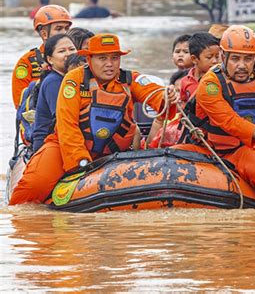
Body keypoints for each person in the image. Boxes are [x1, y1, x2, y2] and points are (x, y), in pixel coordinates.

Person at [9, 34, 178, 205]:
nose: (109, 64)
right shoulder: (74, 80)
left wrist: (168, 97)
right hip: (65, 149)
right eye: (102, 58)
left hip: (113, 153)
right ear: (89, 59)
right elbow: (67, 125)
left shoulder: (129, 79)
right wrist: (80, 163)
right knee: (33, 187)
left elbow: (156, 95)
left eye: (114, 58)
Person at [173, 25, 255, 207]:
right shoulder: (210, 84)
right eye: (235, 58)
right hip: (208, 146)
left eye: (249, 59)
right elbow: (230, 122)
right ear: (223, 56)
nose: (242, 65)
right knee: (169, 160)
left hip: (242, 149)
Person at [146, 32, 220, 148]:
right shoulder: (185, 81)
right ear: (194, 59)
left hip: (210, 128)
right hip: (191, 126)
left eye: (217, 57)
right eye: (210, 57)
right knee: (161, 137)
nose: (215, 61)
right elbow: (184, 105)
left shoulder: (219, 80)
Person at [11, 4, 72, 109]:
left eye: (67, 28)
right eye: (58, 29)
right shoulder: (27, 62)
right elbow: (20, 104)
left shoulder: (76, 58)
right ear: (44, 34)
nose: (64, 33)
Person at [32, 34, 78, 153]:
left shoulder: (74, 79)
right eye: (62, 51)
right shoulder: (53, 82)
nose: (68, 54)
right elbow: (62, 119)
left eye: (72, 49)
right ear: (50, 59)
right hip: (47, 141)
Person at [143, 69, 188, 149]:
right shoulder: (163, 116)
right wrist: (159, 120)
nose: (181, 96)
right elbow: (149, 148)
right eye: (177, 91)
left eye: (185, 92)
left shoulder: (199, 118)